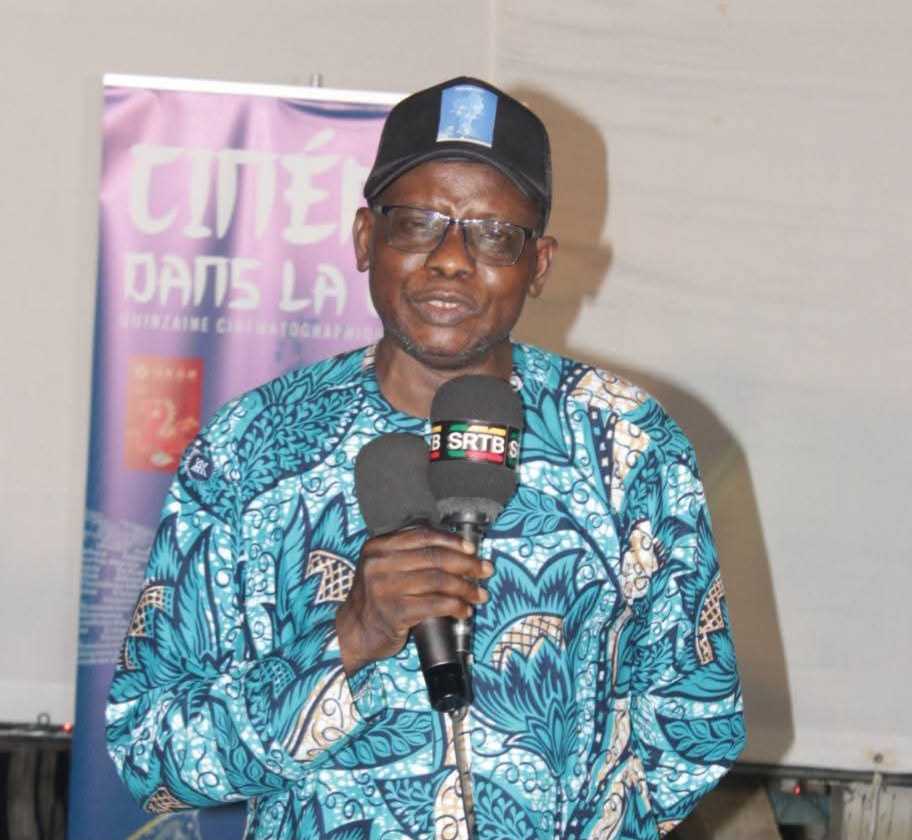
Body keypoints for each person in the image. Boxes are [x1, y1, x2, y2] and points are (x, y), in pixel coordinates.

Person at [106, 76, 745, 840]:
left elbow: (696, 728)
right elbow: (149, 752)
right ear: (364, 239)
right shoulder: (251, 447)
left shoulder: (630, 447)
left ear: (539, 265)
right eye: (417, 224)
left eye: (494, 234)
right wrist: (344, 642)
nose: (450, 259)